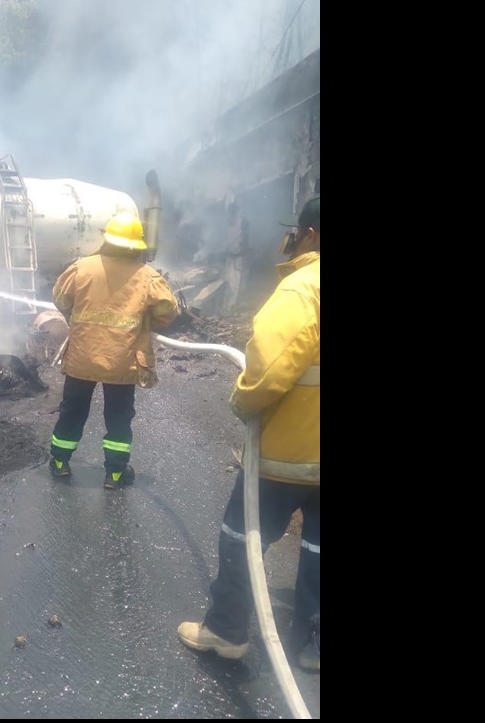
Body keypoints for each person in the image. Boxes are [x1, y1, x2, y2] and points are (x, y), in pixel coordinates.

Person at [176, 194, 320, 671]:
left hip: (292, 454)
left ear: (311, 234)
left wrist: (242, 400)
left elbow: (271, 369)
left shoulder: (305, 289)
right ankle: (314, 645)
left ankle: (226, 632)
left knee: (243, 535)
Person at [47, 211, 180, 489]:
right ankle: (116, 473)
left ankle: (60, 462)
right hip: (123, 360)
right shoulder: (148, 277)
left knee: (72, 410)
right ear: (136, 246)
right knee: (119, 416)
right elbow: (168, 311)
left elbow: (60, 300)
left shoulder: (81, 268)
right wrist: (149, 320)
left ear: (107, 239)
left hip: (82, 356)